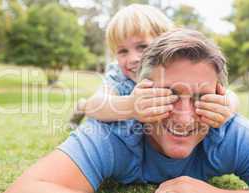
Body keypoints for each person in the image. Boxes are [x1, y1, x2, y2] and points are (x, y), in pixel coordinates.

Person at [1, 28, 249, 193]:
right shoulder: (114, 132)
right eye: (167, 95)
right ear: (140, 90)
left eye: (201, 98)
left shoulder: (229, 131)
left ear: (220, 97)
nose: (184, 118)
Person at [70, 4, 239, 129]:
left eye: (142, 47)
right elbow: (96, 105)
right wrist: (130, 106)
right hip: (123, 111)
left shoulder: (178, 71)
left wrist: (226, 106)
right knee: (88, 105)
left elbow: (230, 96)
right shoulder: (119, 76)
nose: (133, 59)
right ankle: (80, 108)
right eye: (123, 51)